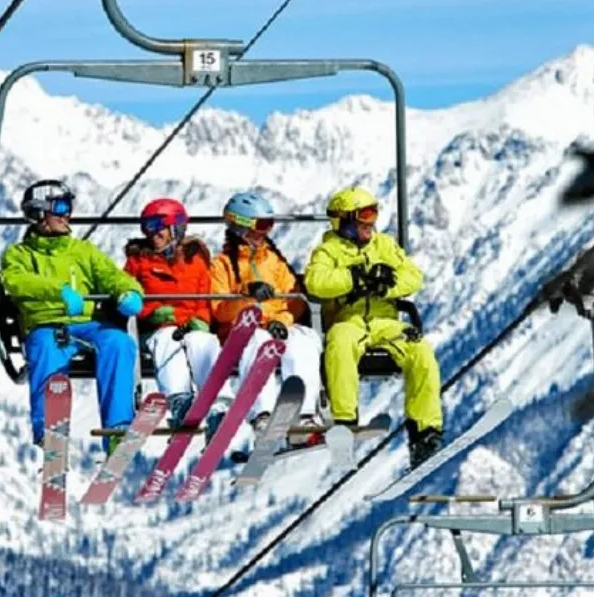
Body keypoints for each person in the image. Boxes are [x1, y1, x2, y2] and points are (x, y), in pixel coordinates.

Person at [0, 179, 145, 456]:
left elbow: (110, 275)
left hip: (88, 325)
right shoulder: (19, 255)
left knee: (119, 343)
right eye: (60, 208)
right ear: (39, 213)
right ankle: (50, 431)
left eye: (69, 207)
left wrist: (128, 292)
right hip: (47, 325)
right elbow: (17, 282)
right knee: (46, 350)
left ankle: (117, 428)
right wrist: (59, 291)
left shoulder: (82, 251)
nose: (67, 214)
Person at [303, 186, 444, 468]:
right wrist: (353, 278)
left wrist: (387, 285)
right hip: (350, 319)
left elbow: (414, 276)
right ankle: (344, 421)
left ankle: (425, 432)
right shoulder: (329, 251)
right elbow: (316, 282)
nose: (371, 223)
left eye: (373, 215)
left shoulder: (384, 246)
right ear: (345, 221)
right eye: (364, 217)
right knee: (340, 344)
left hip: (385, 322)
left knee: (420, 351)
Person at [210, 190, 324, 445]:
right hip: (241, 331)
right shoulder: (222, 265)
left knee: (304, 338)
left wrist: (281, 322)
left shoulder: (274, 262)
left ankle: (304, 414)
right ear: (240, 226)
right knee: (258, 340)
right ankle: (263, 413)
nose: (266, 232)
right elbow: (219, 310)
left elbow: (294, 301)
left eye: (269, 225)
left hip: (276, 325)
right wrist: (247, 299)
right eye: (261, 225)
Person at [123, 197, 230, 442]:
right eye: (146, 228)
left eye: (157, 227)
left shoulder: (196, 260)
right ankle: (180, 401)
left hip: (190, 325)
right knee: (167, 340)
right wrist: (151, 313)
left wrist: (201, 320)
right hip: (156, 328)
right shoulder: (138, 262)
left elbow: (204, 298)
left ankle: (218, 406)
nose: (152, 234)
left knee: (203, 342)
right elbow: (126, 295)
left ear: (176, 228)